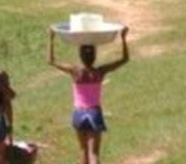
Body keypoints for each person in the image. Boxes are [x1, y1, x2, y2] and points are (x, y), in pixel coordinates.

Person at [48, 27, 129, 164]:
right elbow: (124, 59)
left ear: (80, 56)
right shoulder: (100, 72)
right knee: (94, 153)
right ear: (94, 56)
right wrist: (123, 38)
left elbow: (51, 61)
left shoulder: (75, 72)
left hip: (78, 113)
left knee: (83, 151)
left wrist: (51, 39)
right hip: (94, 112)